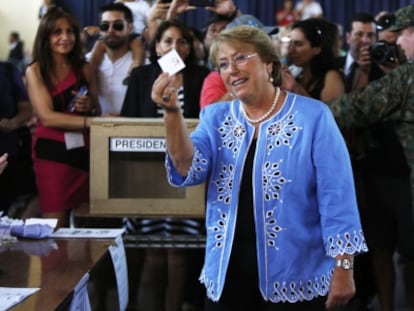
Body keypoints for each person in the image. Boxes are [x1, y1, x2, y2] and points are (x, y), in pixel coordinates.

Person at [151, 24, 367, 310]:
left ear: (269, 64)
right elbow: (187, 168)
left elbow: (336, 195)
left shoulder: (313, 116)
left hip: (296, 274)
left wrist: (344, 267)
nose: (232, 70)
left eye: (241, 58)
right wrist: (172, 112)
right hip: (227, 271)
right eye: (223, 64)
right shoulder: (214, 116)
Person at [328, 5, 414, 311]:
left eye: (402, 35)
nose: (398, 44)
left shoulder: (407, 77)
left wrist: (290, 104)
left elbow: (347, 110)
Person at [121, 19, 209, 311]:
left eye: (182, 41)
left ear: (190, 46)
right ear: (156, 46)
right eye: (167, 41)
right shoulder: (142, 76)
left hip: (186, 170)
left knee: (179, 252)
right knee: (152, 250)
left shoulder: (201, 76)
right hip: (146, 172)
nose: (175, 47)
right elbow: (127, 123)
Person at [25, 7, 99, 228]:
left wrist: (89, 107)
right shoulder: (35, 71)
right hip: (51, 154)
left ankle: (83, 264)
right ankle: (53, 264)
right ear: (46, 36)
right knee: (55, 224)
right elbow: (47, 117)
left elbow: (96, 106)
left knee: (86, 222)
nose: (65, 38)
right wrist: (93, 123)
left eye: (70, 32)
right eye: (57, 32)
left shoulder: (85, 68)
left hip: (83, 151)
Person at [87, 2, 135, 115]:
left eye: (118, 26)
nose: (110, 30)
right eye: (105, 26)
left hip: (132, 130)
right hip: (95, 130)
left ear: (130, 28)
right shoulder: (87, 62)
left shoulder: (143, 64)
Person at [284, 18, 345, 102]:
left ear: (316, 49)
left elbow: (329, 113)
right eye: (290, 43)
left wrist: (295, 86)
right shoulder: (296, 73)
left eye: (298, 44)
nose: (291, 50)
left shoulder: (331, 77)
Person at [0, 61, 33, 214]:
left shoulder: (7, 70)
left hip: (7, 155)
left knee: (7, 209)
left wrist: (13, 123)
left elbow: (26, 108)